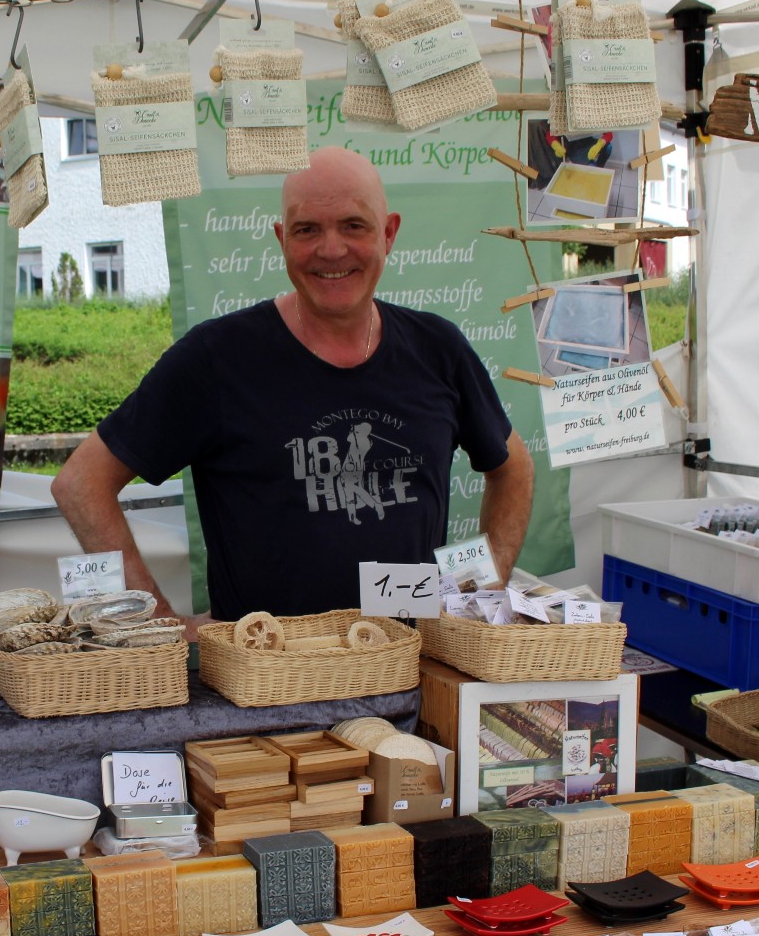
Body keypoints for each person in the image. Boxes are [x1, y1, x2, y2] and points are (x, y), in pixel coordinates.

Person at [51, 146, 534, 634]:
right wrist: (157, 625)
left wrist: (477, 590)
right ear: (282, 240)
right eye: (307, 230)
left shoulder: (438, 349)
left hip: (410, 663)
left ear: (388, 233)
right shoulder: (216, 358)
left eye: (354, 225)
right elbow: (81, 484)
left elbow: (512, 469)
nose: (331, 249)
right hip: (267, 673)